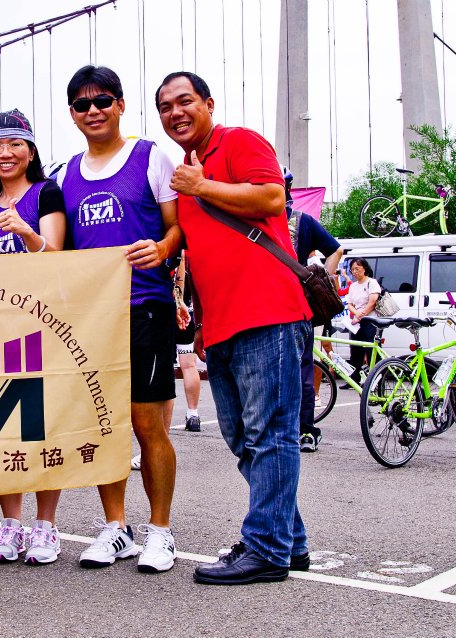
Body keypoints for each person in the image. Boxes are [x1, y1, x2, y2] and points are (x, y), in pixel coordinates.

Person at [156, 71, 312, 585]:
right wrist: (201, 321)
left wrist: (201, 186)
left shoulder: (239, 142)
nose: (175, 112)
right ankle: (289, 540)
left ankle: (266, 549)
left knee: (270, 434)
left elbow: (271, 199)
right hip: (221, 324)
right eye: (165, 107)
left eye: (185, 101)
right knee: (242, 436)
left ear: (208, 104)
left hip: (269, 311)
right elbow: (202, 252)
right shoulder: (184, 171)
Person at [55, 65, 183, 574]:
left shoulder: (151, 157)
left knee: (147, 424)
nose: (93, 111)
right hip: (90, 319)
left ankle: (161, 532)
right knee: (103, 426)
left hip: (145, 308)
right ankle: (116, 528)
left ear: (121, 105)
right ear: (72, 114)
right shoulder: (64, 174)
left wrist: (163, 248)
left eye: (103, 101)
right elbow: (56, 250)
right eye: (82, 104)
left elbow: (178, 228)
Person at [0, 109, 67, 565]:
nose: (5, 153)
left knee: (43, 428)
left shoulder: (46, 192)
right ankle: (11, 523)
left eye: (14, 144)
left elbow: (58, 256)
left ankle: (46, 525)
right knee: (2, 428)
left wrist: (27, 233)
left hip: (42, 326)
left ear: (30, 150)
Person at [283, 166, 343, 453]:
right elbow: (336, 249)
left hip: (265, 309)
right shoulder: (302, 220)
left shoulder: (254, 219)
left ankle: (278, 430)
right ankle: (305, 430)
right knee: (303, 371)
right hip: (299, 307)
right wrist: (322, 280)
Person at [172, 253, 201, 432]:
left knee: (164, 367)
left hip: (168, 311)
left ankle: (161, 418)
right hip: (186, 312)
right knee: (189, 366)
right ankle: (193, 414)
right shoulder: (185, 254)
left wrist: (177, 302)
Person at [345, 258, 380, 385]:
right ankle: (354, 379)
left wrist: (361, 315)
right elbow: (349, 304)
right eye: (352, 269)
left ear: (364, 269)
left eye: (357, 268)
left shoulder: (372, 282)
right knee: (355, 350)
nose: (355, 272)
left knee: (371, 351)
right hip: (356, 321)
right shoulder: (353, 286)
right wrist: (356, 314)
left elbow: (372, 302)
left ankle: (376, 379)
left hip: (370, 320)